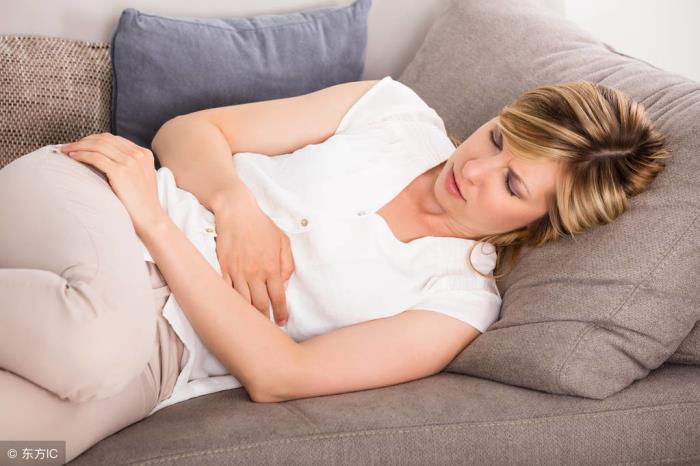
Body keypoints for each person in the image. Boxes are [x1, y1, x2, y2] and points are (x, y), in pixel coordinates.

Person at [0, 76, 670, 463]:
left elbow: (280, 375)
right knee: (91, 345)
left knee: (25, 448)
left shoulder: (458, 304)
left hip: (160, 354)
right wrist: (235, 207)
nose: (474, 168)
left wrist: (160, 229)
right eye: (498, 137)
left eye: (512, 183)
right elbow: (190, 132)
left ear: (543, 222)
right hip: (105, 205)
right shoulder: (394, 112)